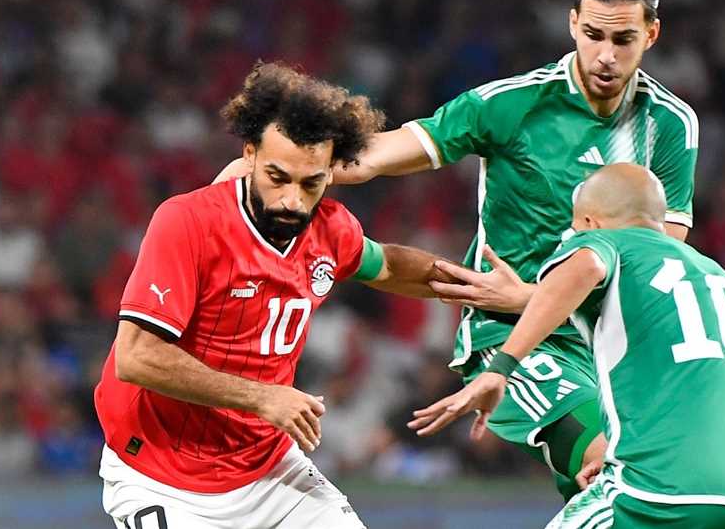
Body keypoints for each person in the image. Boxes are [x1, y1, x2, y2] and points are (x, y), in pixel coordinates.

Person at [217, 0, 698, 499]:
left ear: (651, 34)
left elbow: (659, 267)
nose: (606, 55)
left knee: (632, 492)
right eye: (593, 35)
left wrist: (531, 294)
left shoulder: (671, 124)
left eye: (623, 39)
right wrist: (276, 167)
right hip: (513, 338)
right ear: (572, 24)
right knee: (615, 462)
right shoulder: (511, 104)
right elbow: (373, 156)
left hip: (614, 341)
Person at [95, 62, 457, 529]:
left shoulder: (330, 229)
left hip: (268, 470)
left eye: (311, 183)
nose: (292, 200)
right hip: (161, 474)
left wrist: (476, 286)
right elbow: (136, 358)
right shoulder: (188, 222)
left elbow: (386, 265)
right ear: (249, 154)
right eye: (277, 177)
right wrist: (263, 398)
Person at [410, 164, 725, 528]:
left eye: (575, 227)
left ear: (591, 222)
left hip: (664, 490)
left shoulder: (605, 242)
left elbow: (588, 266)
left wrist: (502, 366)